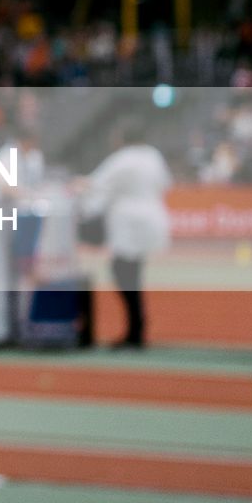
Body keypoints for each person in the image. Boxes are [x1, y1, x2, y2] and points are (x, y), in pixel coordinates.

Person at [82, 127, 173, 349]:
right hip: (152, 217)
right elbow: (166, 183)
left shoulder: (123, 159)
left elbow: (96, 183)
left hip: (129, 222)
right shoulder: (153, 156)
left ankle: (135, 329)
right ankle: (136, 327)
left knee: (122, 273)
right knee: (132, 273)